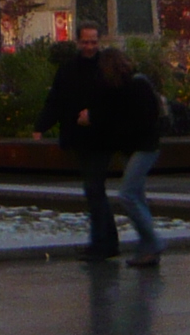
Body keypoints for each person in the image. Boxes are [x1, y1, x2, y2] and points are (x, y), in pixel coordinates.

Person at [35, 23, 132, 257]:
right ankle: (107, 241)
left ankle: (102, 243)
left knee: (93, 188)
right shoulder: (69, 69)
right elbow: (55, 100)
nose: (90, 47)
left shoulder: (107, 68)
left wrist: (94, 117)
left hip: (102, 138)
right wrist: (40, 127)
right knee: (94, 190)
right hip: (80, 138)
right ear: (78, 42)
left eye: (94, 42)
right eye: (86, 42)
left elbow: (117, 103)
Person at [108, 45, 166, 268]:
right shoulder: (121, 88)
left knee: (127, 194)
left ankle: (153, 241)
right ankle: (148, 250)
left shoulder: (136, 85)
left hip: (144, 146)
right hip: (134, 147)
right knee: (137, 196)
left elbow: (144, 118)